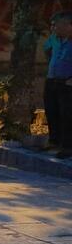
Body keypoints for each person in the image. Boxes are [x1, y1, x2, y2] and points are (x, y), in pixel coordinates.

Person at [44, 11, 72, 159]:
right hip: (52, 80)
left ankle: (68, 146)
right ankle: (54, 141)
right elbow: (47, 51)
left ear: (68, 26)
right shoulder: (54, 39)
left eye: (57, 25)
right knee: (52, 111)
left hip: (67, 83)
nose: (54, 28)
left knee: (67, 115)